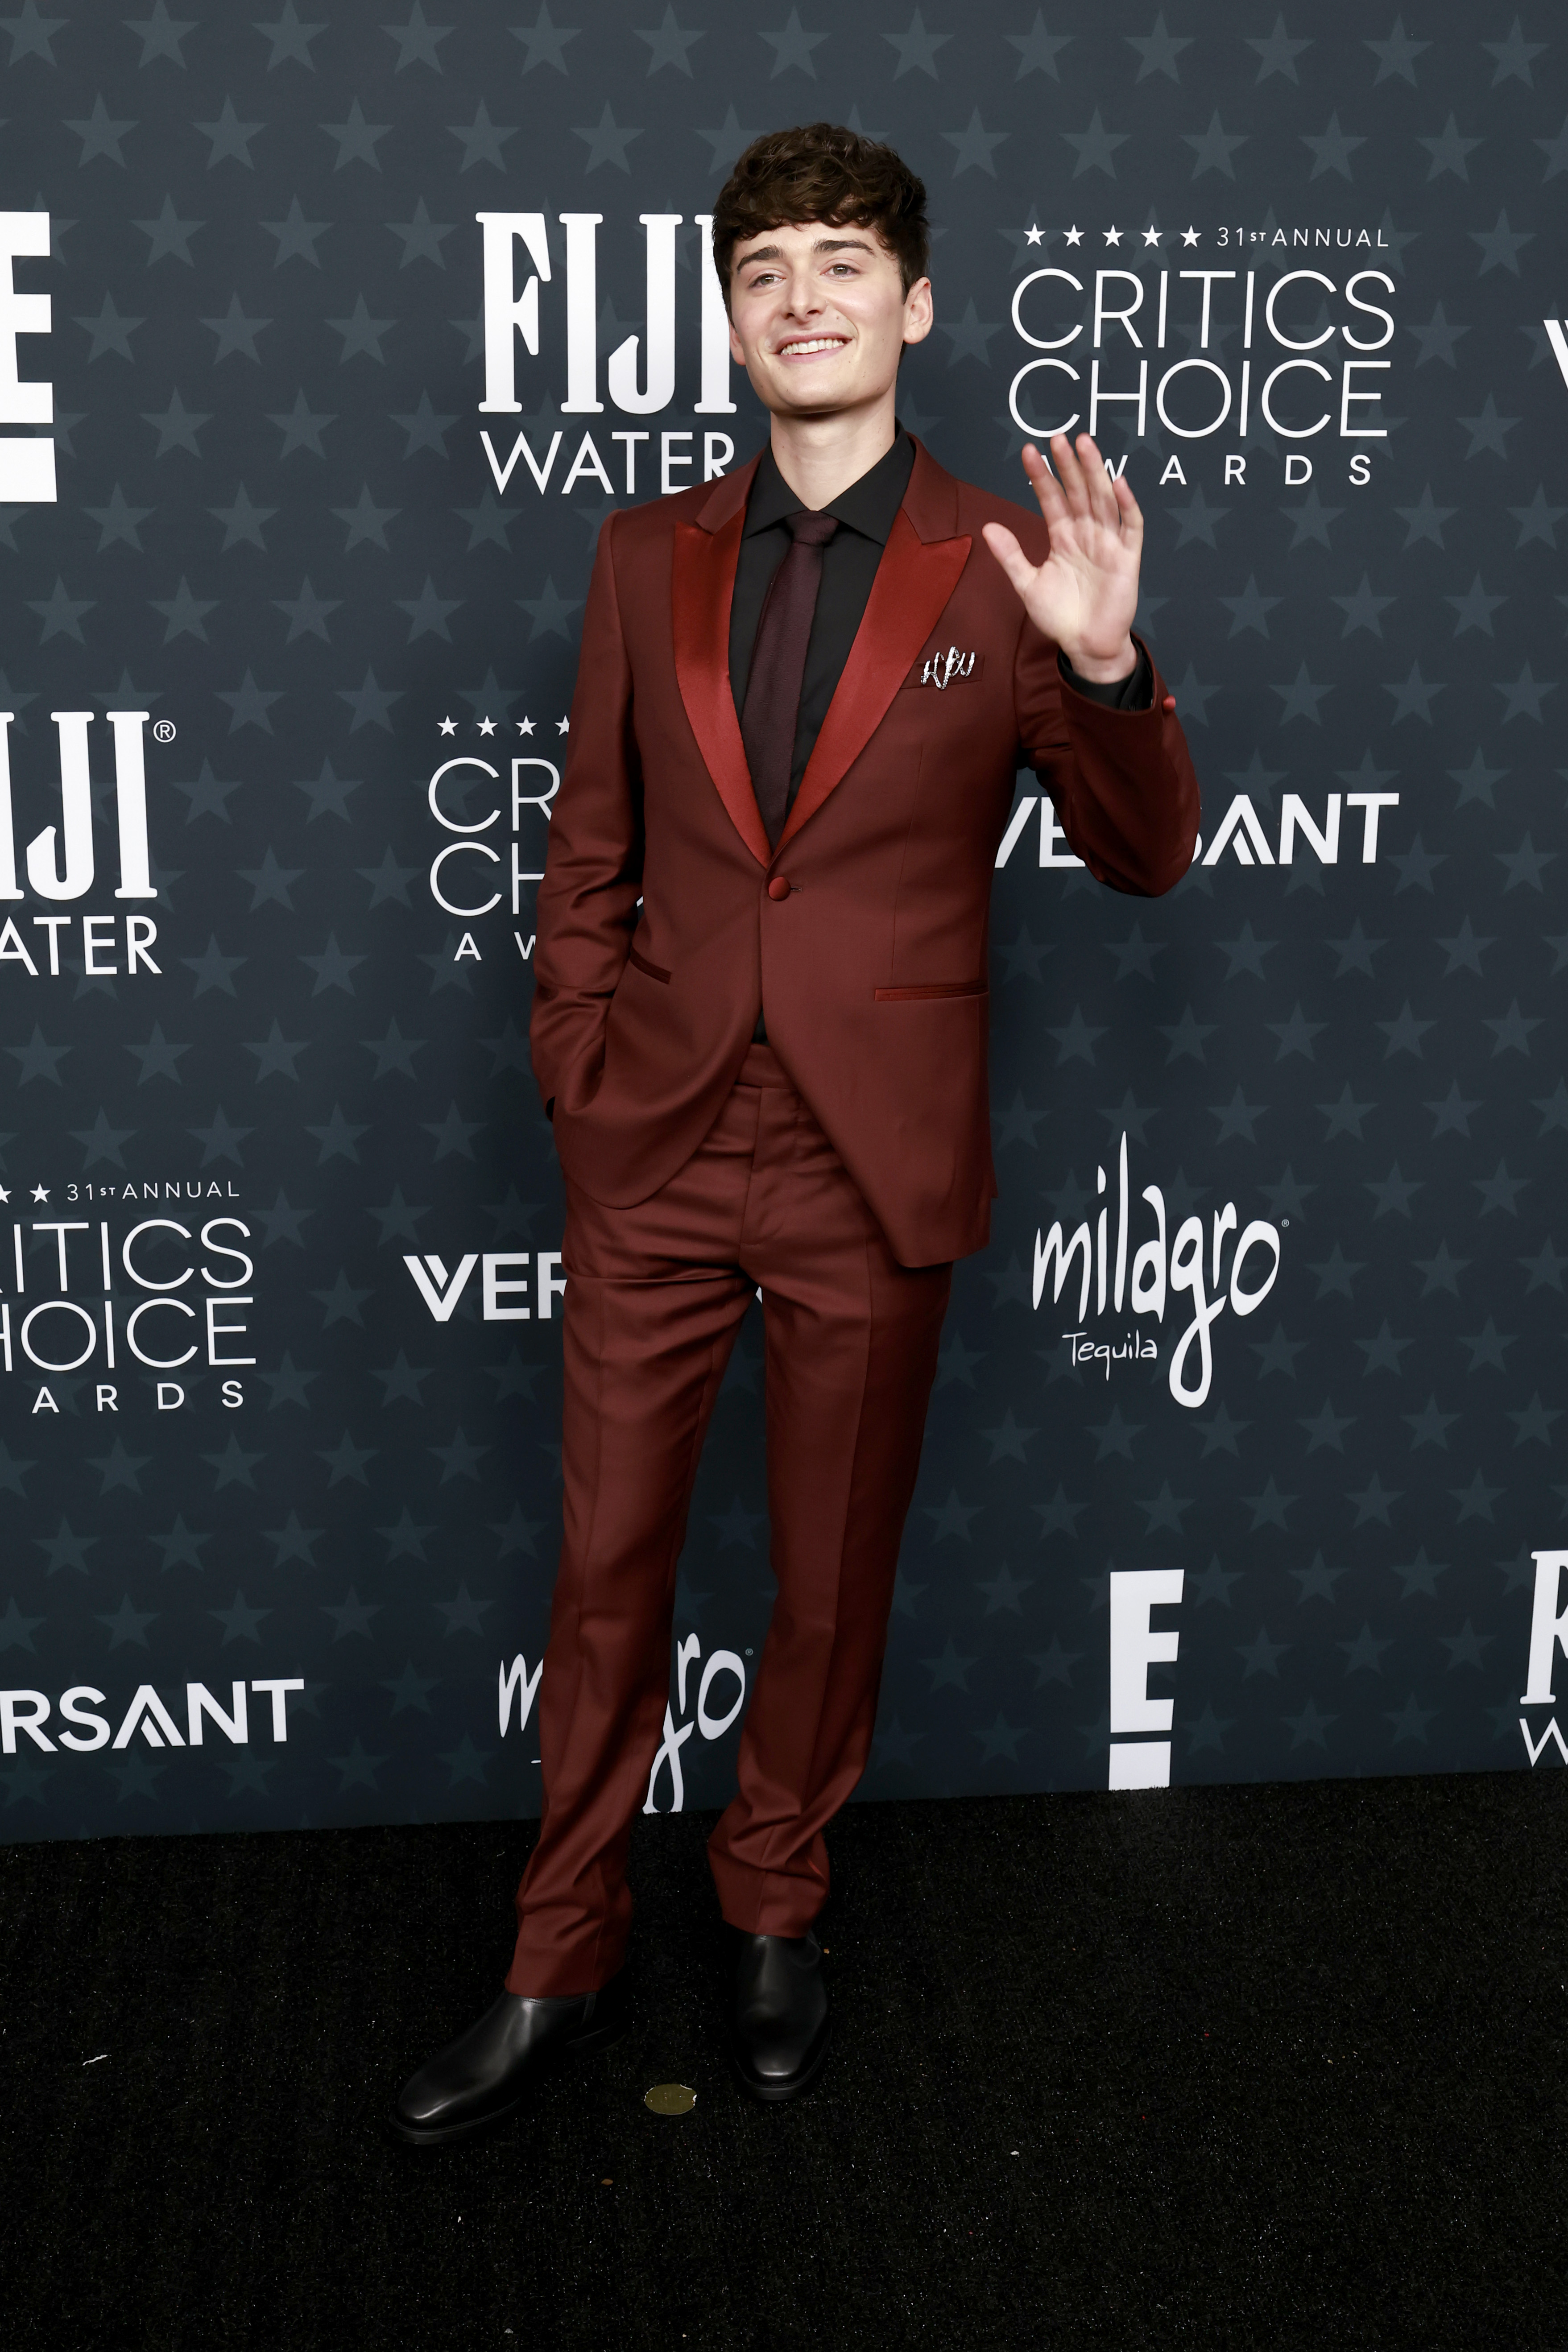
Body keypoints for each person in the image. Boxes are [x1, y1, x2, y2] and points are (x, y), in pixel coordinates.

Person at [391, 122, 1199, 2145]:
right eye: (765, 270)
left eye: (844, 261)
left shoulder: (1004, 566)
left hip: (872, 1155)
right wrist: (578, 1065)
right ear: (730, 314)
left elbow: (1149, 854)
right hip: (655, 1139)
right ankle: (555, 1945)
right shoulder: (641, 550)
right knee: (604, 1573)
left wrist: (1105, 666)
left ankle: (777, 1907)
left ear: (915, 303)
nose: (804, 297)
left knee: (831, 1584)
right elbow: (590, 840)